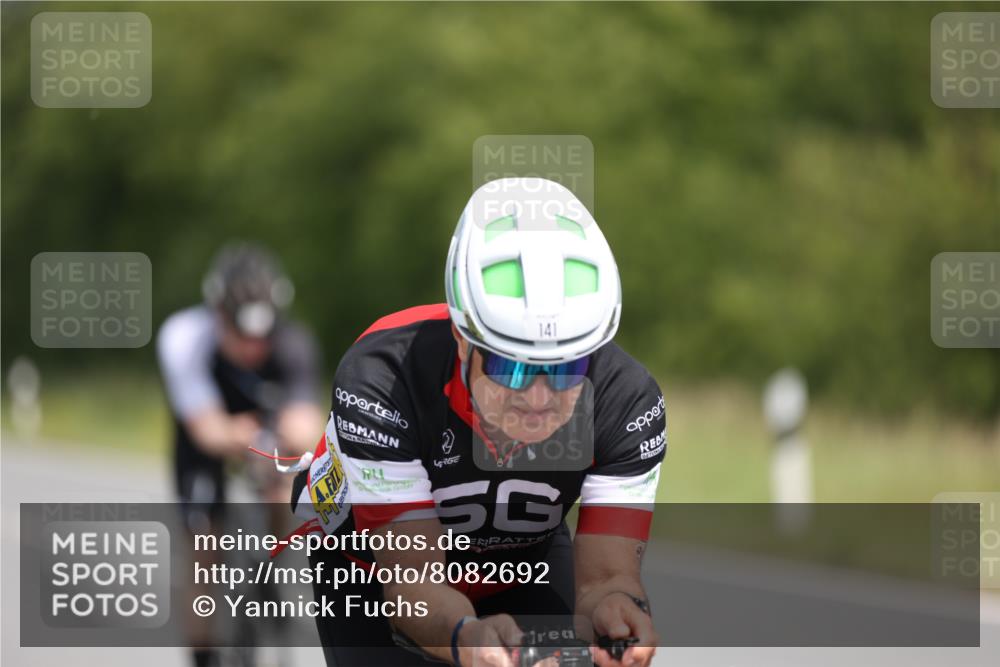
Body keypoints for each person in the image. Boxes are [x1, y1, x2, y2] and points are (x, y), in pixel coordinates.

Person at [291, 179, 665, 667]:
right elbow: (412, 583)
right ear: (463, 340)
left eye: (566, 369)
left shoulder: (626, 400)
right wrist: (466, 635)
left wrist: (617, 608)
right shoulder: (384, 380)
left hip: (521, 557)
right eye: (511, 368)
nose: (537, 398)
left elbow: (605, 580)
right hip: (375, 567)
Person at [157, 242, 324, 667]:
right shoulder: (184, 337)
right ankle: (204, 655)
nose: (252, 347)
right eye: (239, 334)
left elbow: (307, 427)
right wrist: (244, 435)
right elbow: (209, 431)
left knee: (287, 481)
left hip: (266, 428)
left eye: (262, 336)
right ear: (216, 315)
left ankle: (274, 566)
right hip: (205, 431)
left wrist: (283, 444)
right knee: (203, 544)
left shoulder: (294, 343)